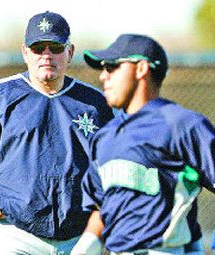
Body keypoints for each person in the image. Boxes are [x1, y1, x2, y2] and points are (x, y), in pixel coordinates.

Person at [0, 11, 114, 255]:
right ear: (25, 52)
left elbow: (121, 161)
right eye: (37, 48)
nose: (46, 56)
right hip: (14, 233)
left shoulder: (96, 103)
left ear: (70, 52)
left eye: (55, 47)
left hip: (79, 236)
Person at [76, 34, 215, 254]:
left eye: (112, 67)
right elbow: (101, 204)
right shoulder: (105, 136)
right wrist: (87, 242)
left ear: (141, 69)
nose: (103, 76)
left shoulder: (181, 124)